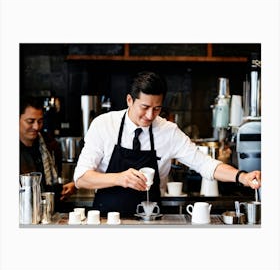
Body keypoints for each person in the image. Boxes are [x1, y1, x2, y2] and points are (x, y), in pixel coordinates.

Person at [74, 71, 261, 217]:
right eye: (145, 107)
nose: (150, 116)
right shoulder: (104, 124)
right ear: (129, 100)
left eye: (157, 109)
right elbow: (81, 178)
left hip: (151, 219)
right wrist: (119, 178)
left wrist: (242, 177)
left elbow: (205, 164)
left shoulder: (168, 131)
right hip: (108, 221)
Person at [20, 96, 76, 206]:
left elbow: (52, 182)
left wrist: (64, 190)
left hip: (47, 210)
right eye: (30, 121)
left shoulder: (49, 144)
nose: (36, 127)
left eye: (40, 121)